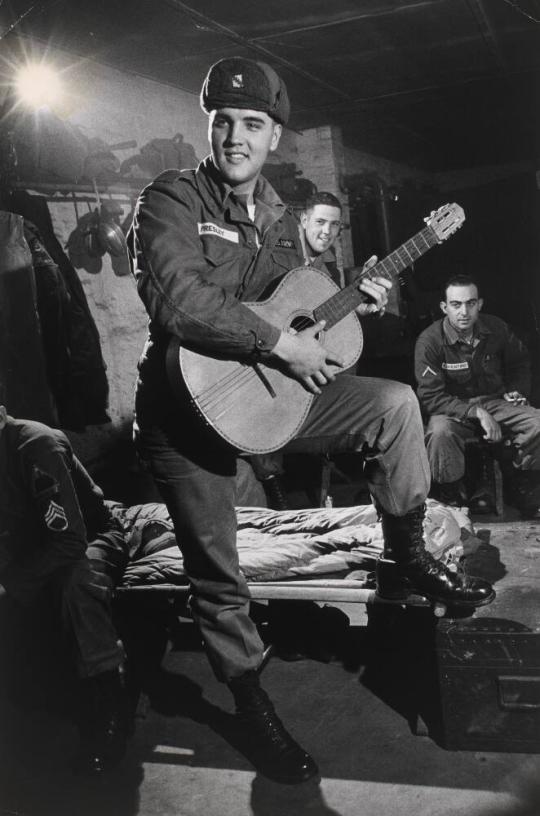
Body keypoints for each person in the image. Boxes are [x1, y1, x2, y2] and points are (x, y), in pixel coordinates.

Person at [127, 56, 494, 785]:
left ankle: (406, 550)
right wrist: (281, 342)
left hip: (271, 394)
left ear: (274, 138)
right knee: (217, 570)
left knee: (393, 405)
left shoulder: (280, 219)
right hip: (186, 411)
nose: (235, 136)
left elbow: (306, 307)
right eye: (224, 121)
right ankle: (250, 699)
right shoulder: (170, 198)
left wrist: (356, 302)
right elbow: (178, 302)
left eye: (253, 125)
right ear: (213, 126)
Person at [0, 384, 130, 774]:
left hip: (92, 535)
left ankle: (110, 706)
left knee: (77, 585)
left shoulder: (34, 444)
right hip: (33, 544)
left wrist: (9, 582)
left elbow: (70, 539)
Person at [250, 191, 347, 509]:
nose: (327, 232)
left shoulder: (328, 266)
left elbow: (320, 319)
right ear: (303, 220)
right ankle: (272, 483)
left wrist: (358, 305)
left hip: (299, 366)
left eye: (334, 225)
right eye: (320, 222)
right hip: (260, 353)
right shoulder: (277, 250)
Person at [414, 273, 540, 515]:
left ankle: (519, 480)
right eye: (456, 304)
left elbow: (520, 363)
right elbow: (430, 397)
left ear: (479, 304)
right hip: (452, 410)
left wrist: (517, 390)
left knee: (536, 422)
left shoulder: (497, 328)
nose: (464, 312)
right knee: (439, 434)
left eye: (471, 303)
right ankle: (451, 493)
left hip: (496, 403)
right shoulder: (429, 342)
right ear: (444, 307)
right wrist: (475, 412)